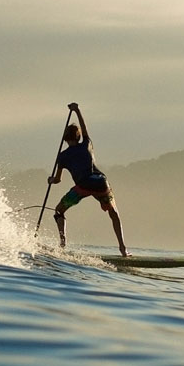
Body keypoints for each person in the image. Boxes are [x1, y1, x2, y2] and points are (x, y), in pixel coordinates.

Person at [46, 102, 129, 256]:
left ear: (64, 138)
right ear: (78, 137)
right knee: (113, 213)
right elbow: (84, 128)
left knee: (59, 210)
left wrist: (51, 180)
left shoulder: (62, 156)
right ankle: (123, 249)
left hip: (83, 186)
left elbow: (58, 180)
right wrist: (77, 110)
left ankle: (62, 245)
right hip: (100, 183)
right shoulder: (86, 144)